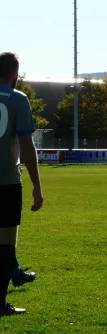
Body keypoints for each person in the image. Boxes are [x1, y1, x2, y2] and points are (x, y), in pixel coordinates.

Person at [0, 52, 44, 315]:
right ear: (14, 74)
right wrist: (37, 186)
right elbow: (27, 147)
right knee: (6, 245)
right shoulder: (19, 100)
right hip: (6, 181)